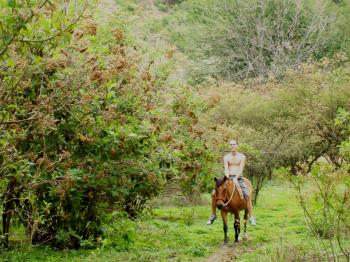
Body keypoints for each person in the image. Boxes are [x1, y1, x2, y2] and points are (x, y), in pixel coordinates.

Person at [207, 139, 256, 226]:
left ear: (237, 145)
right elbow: (226, 168)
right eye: (231, 144)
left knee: (247, 194)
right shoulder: (226, 157)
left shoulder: (242, 157)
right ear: (229, 146)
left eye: (234, 144)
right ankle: (213, 214)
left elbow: (240, 169)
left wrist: (236, 178)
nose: (232, 145)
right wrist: (227, 177)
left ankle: (251, 216)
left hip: (238, 177)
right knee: (214, 193)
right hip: (228, 177)